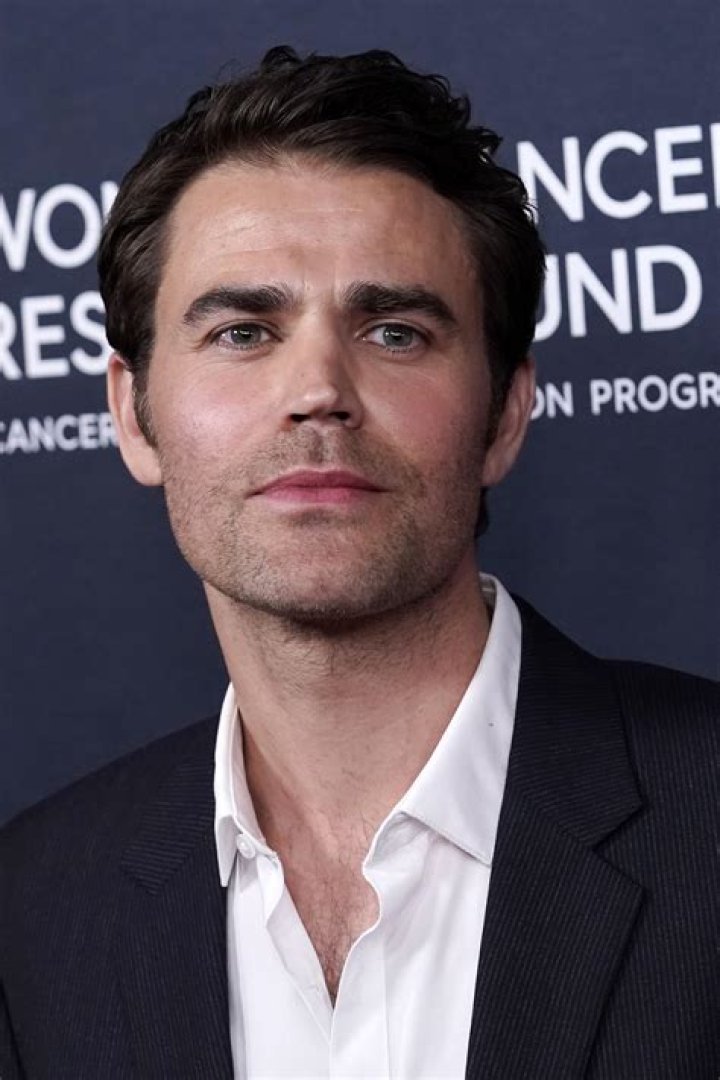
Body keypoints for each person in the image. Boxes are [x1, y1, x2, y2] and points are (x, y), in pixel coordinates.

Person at [0, 46, 716, 1080]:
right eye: (243, 332)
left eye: (393, 332)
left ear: (506, 413)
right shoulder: (32, 910)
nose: (319, 392)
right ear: (132, 413)